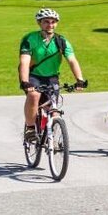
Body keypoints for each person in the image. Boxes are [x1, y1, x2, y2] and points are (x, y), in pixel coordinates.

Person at [19, 8, 88, 142]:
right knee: (34, 95)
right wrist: (25, 81)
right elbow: (24, 61)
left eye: (53, 22)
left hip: (51, 77)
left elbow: (72, 60)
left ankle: (51, 137)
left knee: (53, 109)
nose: (50, 25)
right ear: (39, 23)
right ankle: (31, 128)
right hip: (33, 75)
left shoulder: (61, 41)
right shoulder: (30, 38)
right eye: (46, 22)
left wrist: (79, 79)